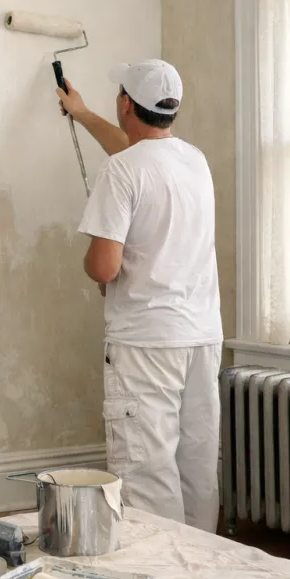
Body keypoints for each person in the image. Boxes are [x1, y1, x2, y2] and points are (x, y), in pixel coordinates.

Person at [56, 59, 223, 532]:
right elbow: (137, 158)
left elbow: (104, 265)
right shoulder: (194, 160)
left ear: (126, 103)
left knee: (148, 473)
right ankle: (204, 575)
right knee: (195, 466)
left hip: (146, 343)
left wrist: (94, 266)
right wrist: (84, 114)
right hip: (201, 338)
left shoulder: (123, 173)